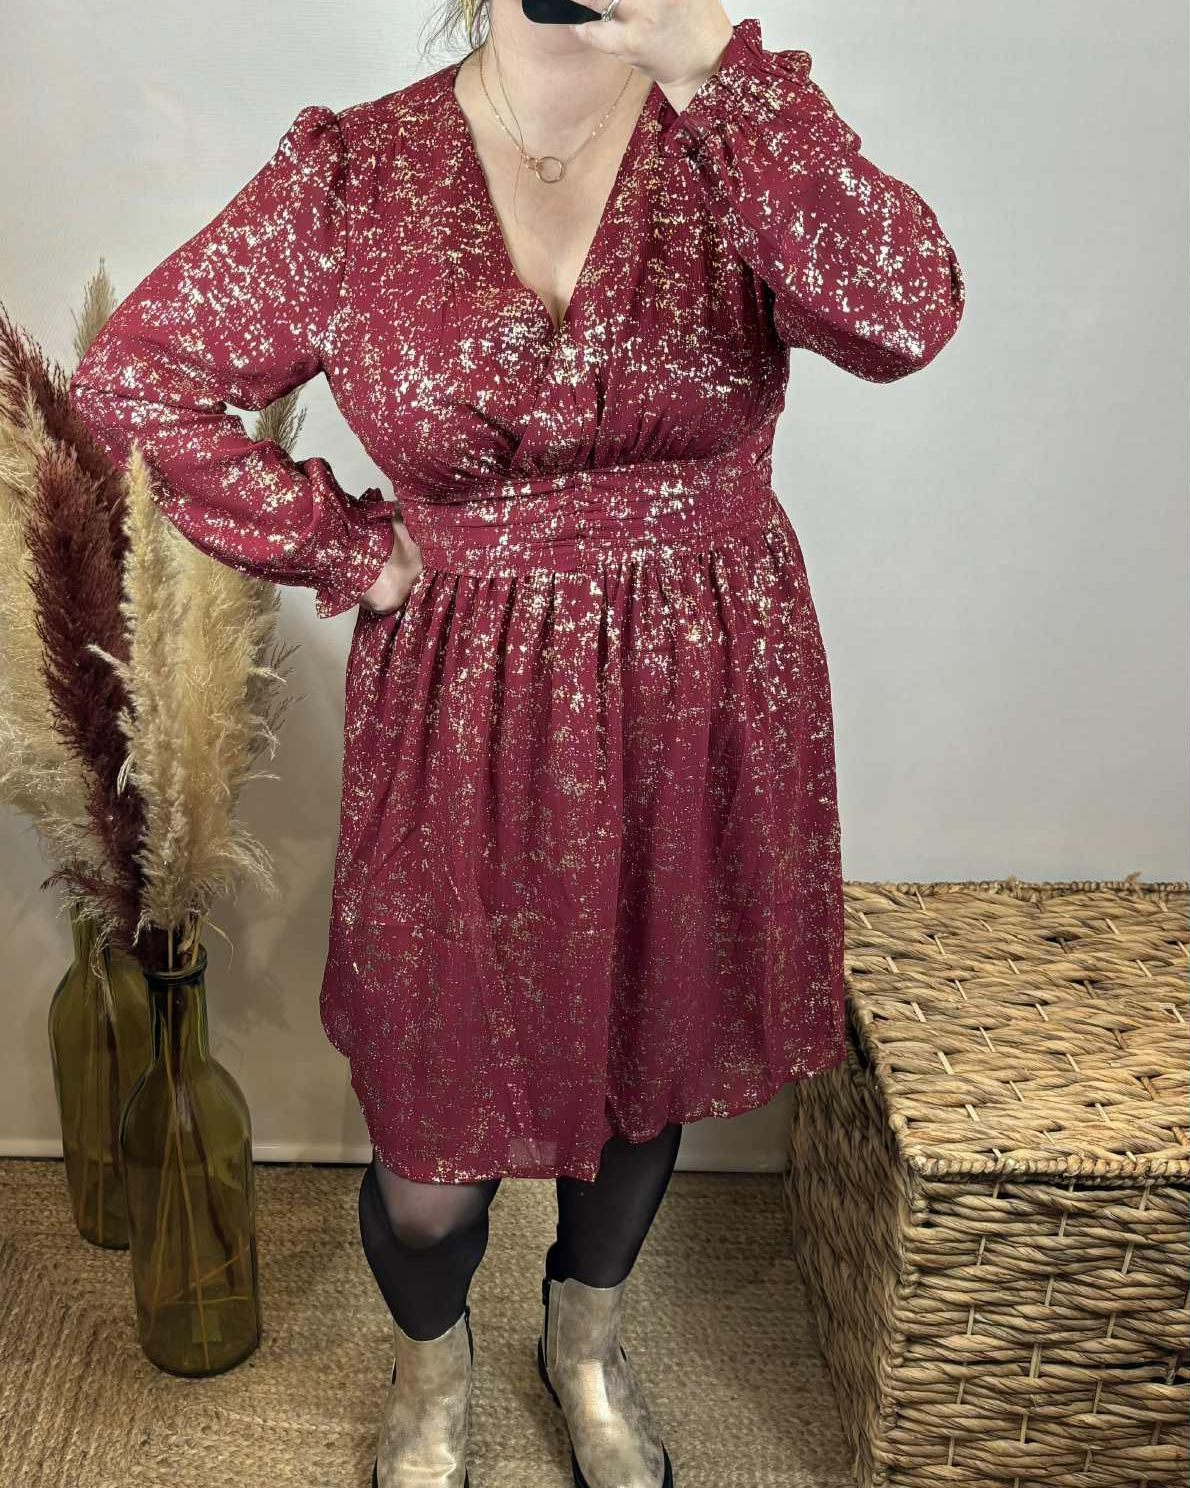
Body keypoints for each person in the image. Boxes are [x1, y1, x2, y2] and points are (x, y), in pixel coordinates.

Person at [68, 0, 966, 1481]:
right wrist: (340, 545)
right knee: (432, 1155)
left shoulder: (732, 134)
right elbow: (135, 381)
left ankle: (585, 1340)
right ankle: (434, 1368)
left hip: (701, 687)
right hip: (461, 708)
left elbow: (906, 314)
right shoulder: (356, 177)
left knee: (644, 1062)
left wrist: (714, 71)